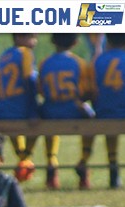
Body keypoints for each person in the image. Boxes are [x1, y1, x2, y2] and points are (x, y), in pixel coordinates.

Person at [38, 34, 96, 189]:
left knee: (44, 116)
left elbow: (41, 90)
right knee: (92, 119)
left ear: (52, 41)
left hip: (50, 110)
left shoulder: (45, 63)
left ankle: (51, 161)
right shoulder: (79, 63)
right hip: (72, 110)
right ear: (76, 42)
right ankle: (83, 161)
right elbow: (86, 91)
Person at [0, 33, 41, 182]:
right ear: (19, 38)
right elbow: (30, 82)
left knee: (13, 124)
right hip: (19, 107)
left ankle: (23, 158)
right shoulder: (25, 53)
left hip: (3, 109)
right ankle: (26, 159)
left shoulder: (4, 55)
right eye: (32, 36)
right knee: (44, 118)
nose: (35, 41)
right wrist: (33, 111)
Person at [93, 33, 125, 188]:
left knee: (110, 127)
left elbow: (93, 90)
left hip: (104, 112)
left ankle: (113, 165)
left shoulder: (99, 60)